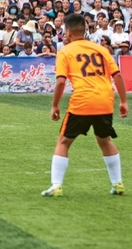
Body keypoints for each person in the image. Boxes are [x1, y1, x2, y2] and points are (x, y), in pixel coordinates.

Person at [42, 14, 127, 197]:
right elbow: (118, 76)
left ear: (68, 32)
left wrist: (55, 106)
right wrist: (124, 102)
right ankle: (118, 183)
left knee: (63, 142)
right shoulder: (101, 49)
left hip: (82, 101)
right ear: (85, 30)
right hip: (105, 101)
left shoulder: (65, 51)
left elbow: (60, 82)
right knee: (104, 140)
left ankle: (56, 185)